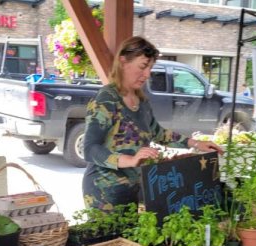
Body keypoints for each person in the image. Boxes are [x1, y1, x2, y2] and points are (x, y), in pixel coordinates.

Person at [82, 36, 222, 211]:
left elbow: (158, 133)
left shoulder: (141, 101)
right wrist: (130, 160)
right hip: (103, 193)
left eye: (150, 68)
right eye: (143, 66)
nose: (147, 74)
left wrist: (195, 144)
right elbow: (89, 148)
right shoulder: (106, 99)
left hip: (132, 190)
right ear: (123, 61)